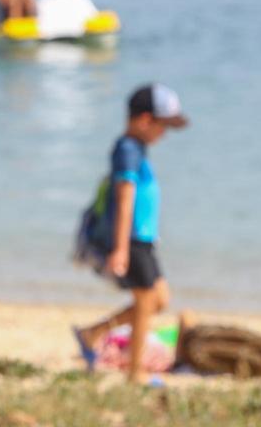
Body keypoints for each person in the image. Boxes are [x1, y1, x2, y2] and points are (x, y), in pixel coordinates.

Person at [74, 84, 188, 383]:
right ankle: (136, 373)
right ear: (144, 120)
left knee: (158, 299)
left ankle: (92, 333)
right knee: (146, 301)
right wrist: (121, 248)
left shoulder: (135, 149)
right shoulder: (127, 150)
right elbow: (125, 197)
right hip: (133, 240)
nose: (165, 134)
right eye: (163, 126)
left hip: (144, 240)